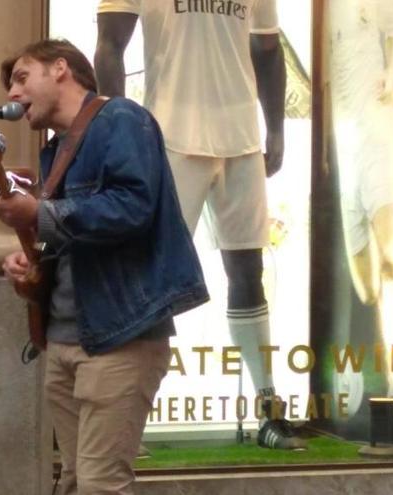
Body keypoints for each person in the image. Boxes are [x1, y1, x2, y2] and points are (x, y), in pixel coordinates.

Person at [0, 39, 208, 495]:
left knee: (99, 483)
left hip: (120, 338)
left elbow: (133, 207)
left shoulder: (121, 119)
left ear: (61, 69)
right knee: (74, 479)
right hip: (67, 337)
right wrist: (31, 257)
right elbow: (76, 233)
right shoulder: (55, 152)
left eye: (22, 77)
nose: (12, 94)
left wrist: (40, 214)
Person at [94, 0, 304, 449]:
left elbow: (268, 50)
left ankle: (268, 411)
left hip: (241, 140)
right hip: (170, 136)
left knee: (248, 273)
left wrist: (276, 129)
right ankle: (128, 418)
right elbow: (110, 46)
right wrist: (119, 131)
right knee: (152, 278)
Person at [328, 0, 393, 417]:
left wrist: (391, 79)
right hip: (347, 151)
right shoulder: (322, 13)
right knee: (366, 288)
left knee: (392, 262)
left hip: (376, 137)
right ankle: (381, 381)